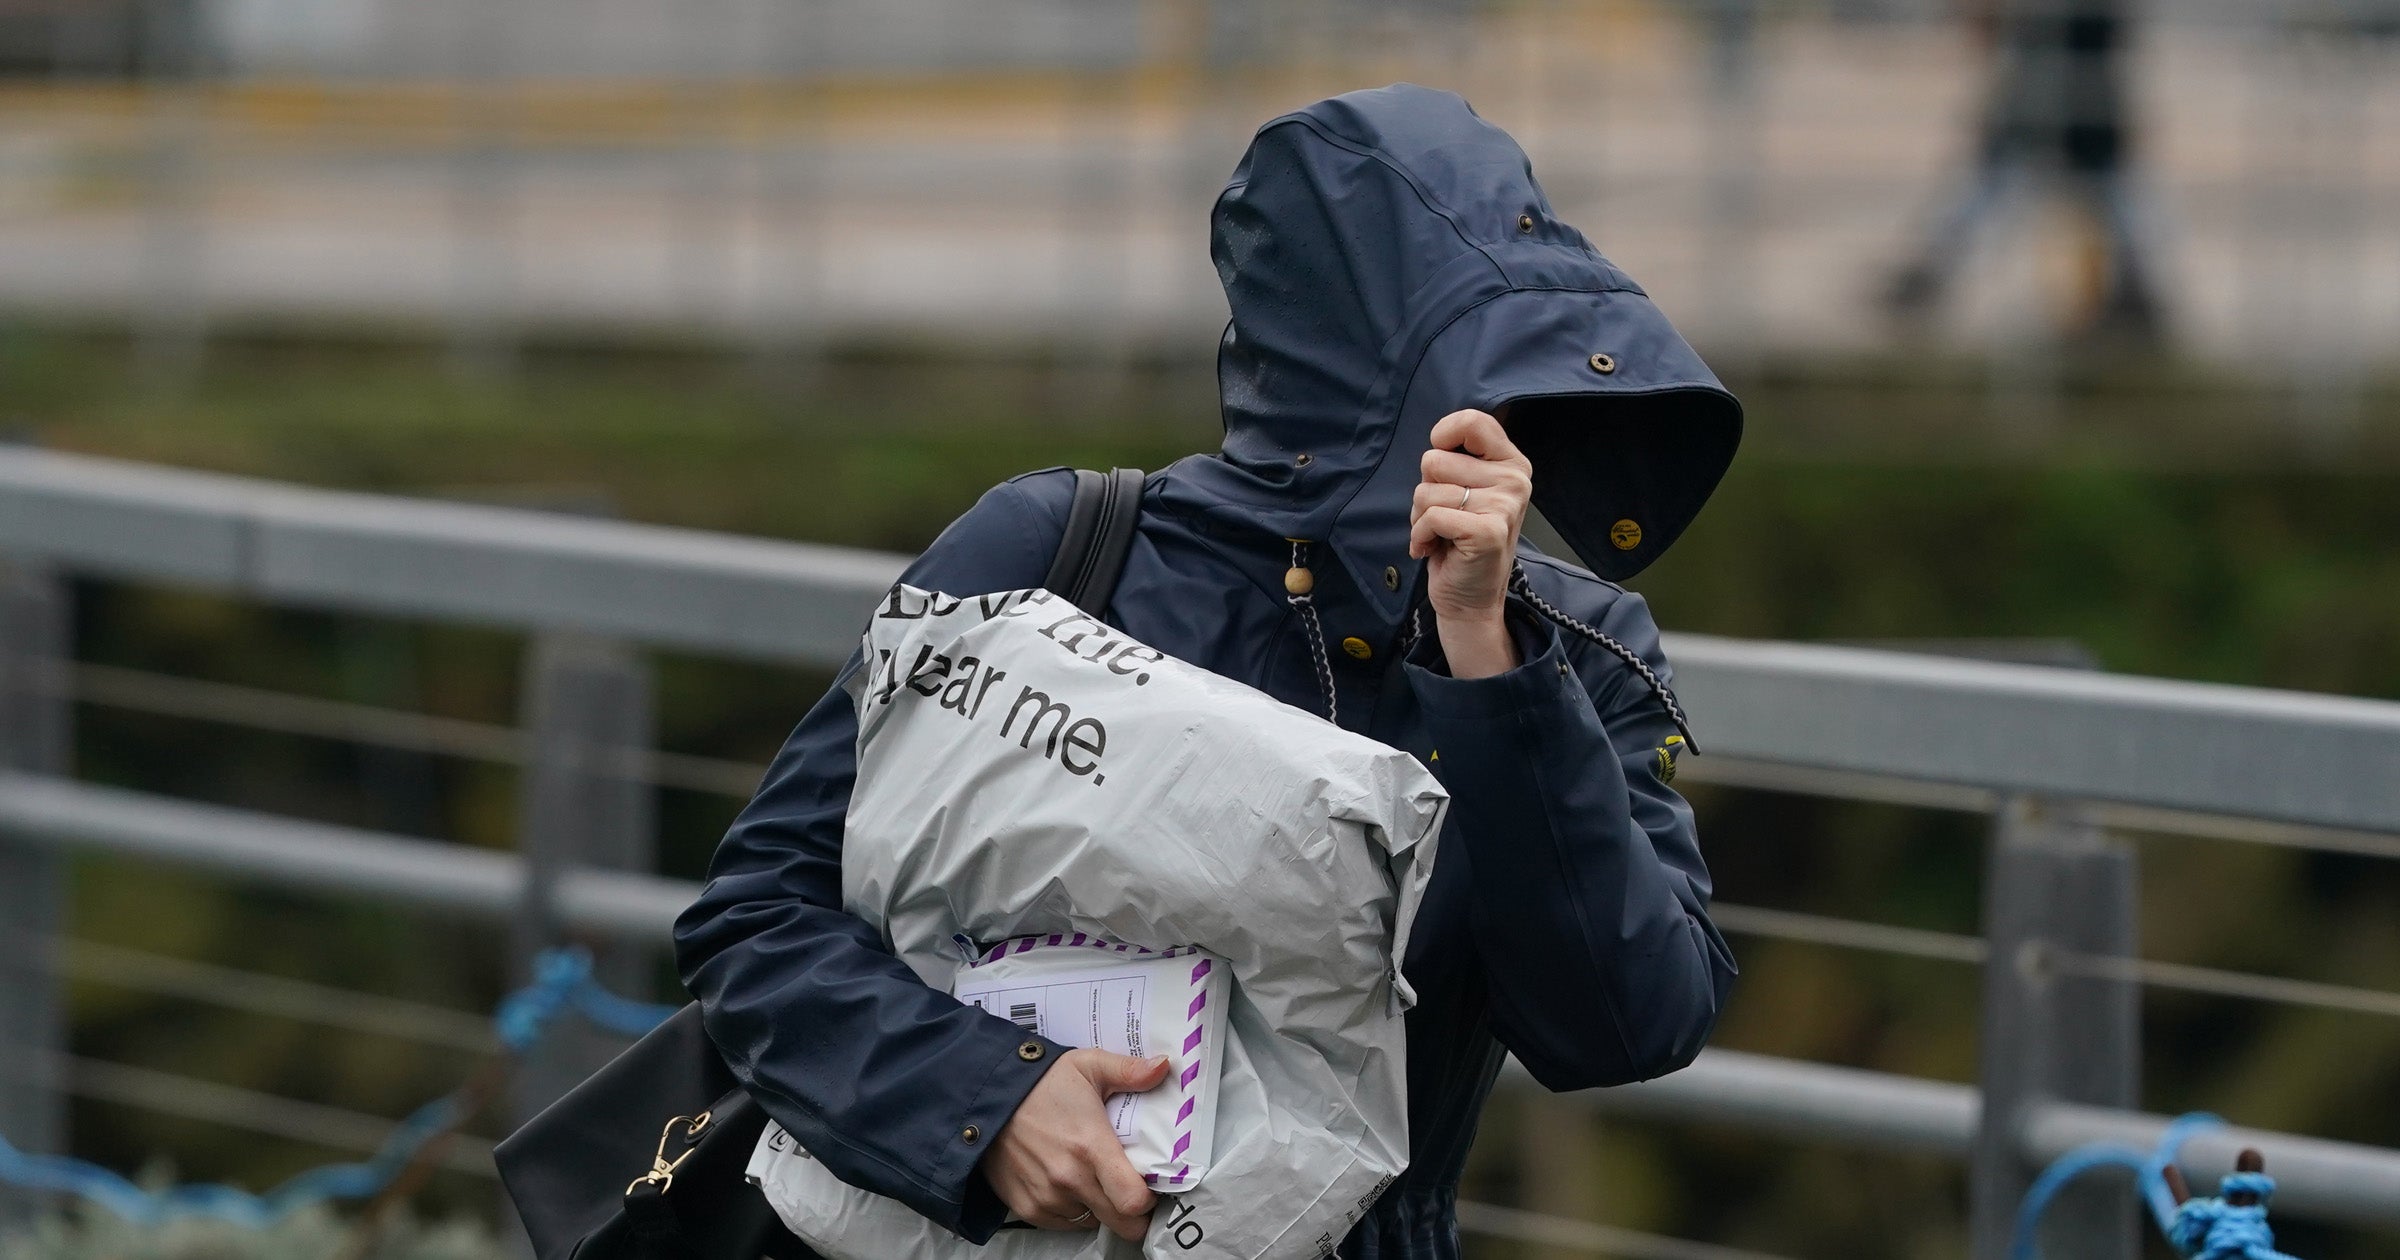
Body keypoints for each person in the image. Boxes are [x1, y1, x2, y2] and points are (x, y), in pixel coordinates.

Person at [674, 84, 1743, 1259]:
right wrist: (988, 1104)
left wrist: (1489, 660)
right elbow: (760, 917)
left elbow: (1625, 1026)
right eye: (1470, 376)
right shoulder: (1058, 551)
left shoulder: (1571, 650)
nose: (1493, 432)